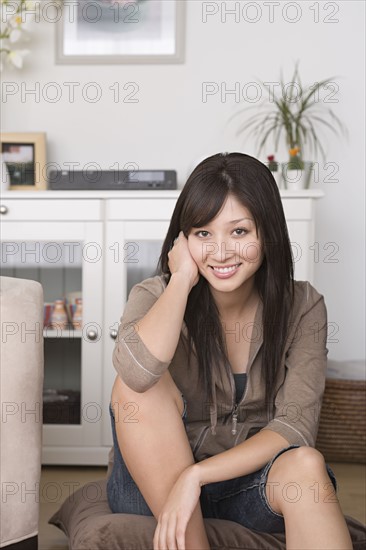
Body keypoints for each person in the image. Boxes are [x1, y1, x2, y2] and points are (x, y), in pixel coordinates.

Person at [107, 153, 353, 550]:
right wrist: (182, 279)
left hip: (245, 487)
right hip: (152, 490)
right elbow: (135, 376)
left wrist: (197, 476)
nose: (220, 253)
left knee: (307, 464)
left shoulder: (303, 305)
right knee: (140, 387)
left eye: (238, 232)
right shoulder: (154, 295)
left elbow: (295, 427)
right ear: (183, 240)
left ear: (267, 232)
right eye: (203, 234)